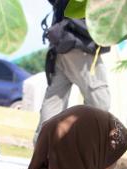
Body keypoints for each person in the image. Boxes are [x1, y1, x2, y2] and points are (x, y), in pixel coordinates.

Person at [34, 0, 110, 140]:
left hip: (62, 43)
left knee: (54, 101)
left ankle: (43, 151)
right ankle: (78, 145)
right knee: (100, 103)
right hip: (78, 45)